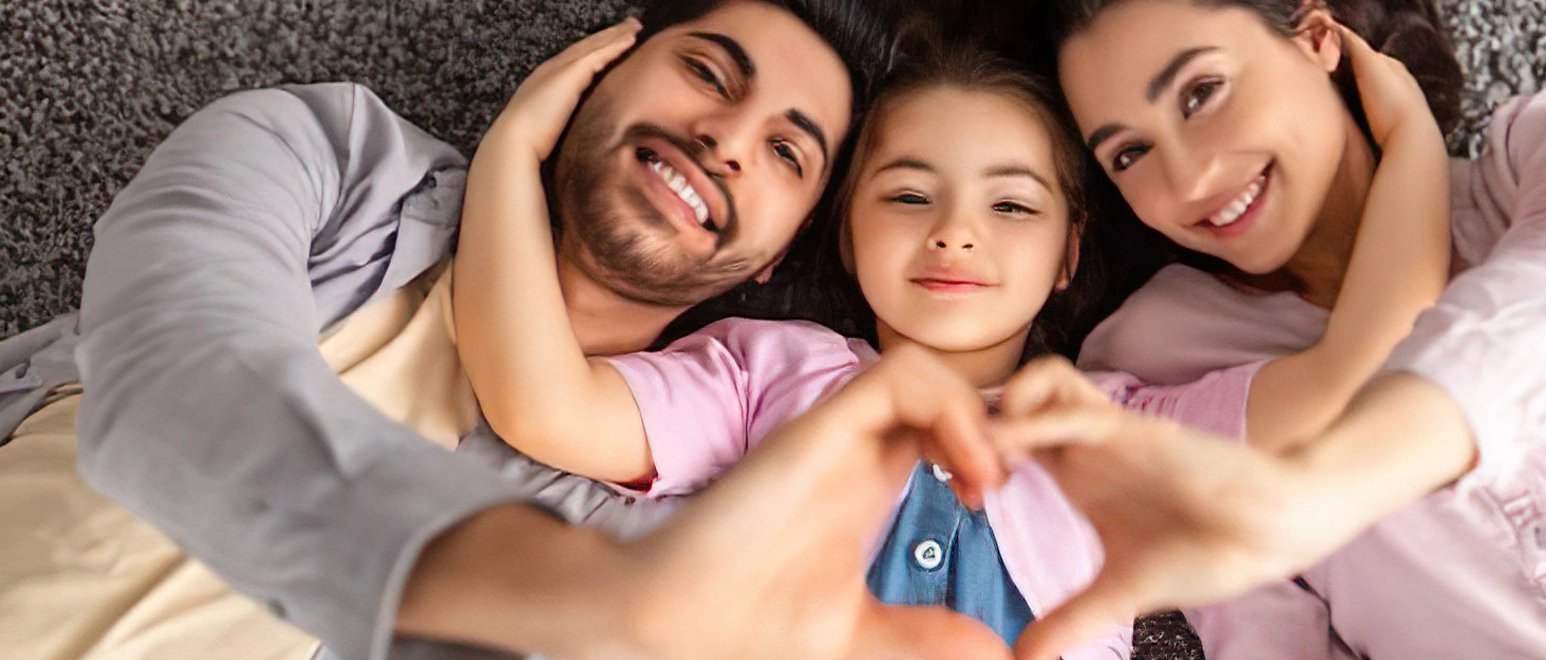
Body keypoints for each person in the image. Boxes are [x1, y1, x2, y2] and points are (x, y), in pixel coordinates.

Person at [0, 2, 1043, 658]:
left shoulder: (659, 518)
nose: (727, 138)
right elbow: (173, 374)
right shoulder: (330, 159)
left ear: (782, 253)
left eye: (787, 153)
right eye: (709, 73)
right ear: (594, 68)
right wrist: (576, 592)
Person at [449, 20, 1449, 658]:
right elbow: (537, 405)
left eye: (1011, 206)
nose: (955, 231)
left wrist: (1414, 150)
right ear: (840, 231)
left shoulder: (1115, 426)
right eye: (909, 194)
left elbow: (1355, 383)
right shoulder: (768, 372)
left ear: (1069, 254)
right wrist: (512, 153)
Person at [977, 0, 1546, 658]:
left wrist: (1318, 489)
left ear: (1316, 37)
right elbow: (1260, 627)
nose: (1191, 174)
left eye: (1202, 92)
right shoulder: (1156, 358)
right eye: (1128, 154)